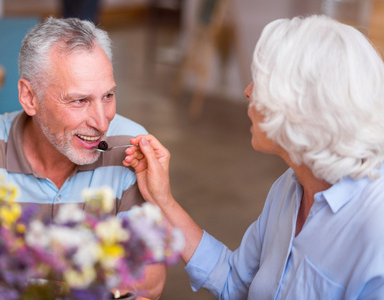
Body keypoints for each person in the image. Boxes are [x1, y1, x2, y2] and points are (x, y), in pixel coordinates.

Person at [123, 15, 384, 299]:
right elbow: (235, 282)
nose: (247, 92)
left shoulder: (375, 228)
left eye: (259, 82)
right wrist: (163, 201)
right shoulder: (290, 187)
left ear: (301, 106)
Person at [0, 17, 165, 299]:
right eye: (80, 100)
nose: (102, 122)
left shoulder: (130, 149)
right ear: (29, 97)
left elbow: (149, 281)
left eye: (108, 95)